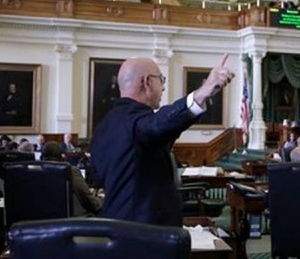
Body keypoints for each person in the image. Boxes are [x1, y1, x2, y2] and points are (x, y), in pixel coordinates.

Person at [90, 54, 234, 226]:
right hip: (144, 234)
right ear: (147, 82)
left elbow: (98, 177)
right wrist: (202, 92)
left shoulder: (104, 126)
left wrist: (204, 95)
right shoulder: (137, 123)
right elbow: (157, 125)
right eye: (161, 80)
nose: (163, 87)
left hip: (115, 227)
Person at [42, 141, 102, 217]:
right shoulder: (69, 172)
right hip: (71, 223)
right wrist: (101, 199)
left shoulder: (34, 173)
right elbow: (90, 202)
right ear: (62, 157)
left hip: (38, 224)